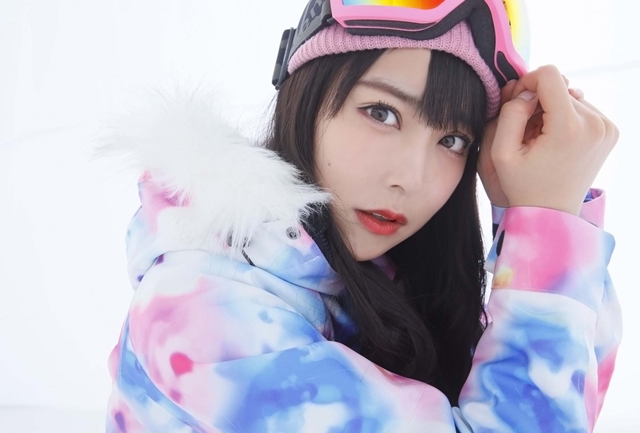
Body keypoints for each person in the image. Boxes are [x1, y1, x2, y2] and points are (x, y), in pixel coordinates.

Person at [98, 0, 622, 431]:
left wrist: (539, 214)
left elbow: (566, 405)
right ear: (304, 95)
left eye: (452, 140)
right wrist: (547, 231)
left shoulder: (366, 273)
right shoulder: (203, 315)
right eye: (381, 113)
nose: (411, 177)